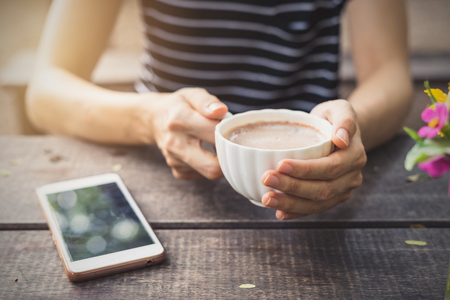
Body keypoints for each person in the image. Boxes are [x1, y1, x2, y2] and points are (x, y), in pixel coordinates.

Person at [26, 0, 413, 220]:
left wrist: (349, 128)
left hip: (322, 181)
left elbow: (389, 74)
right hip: (157, 176)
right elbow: (45, 91)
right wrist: (152, 118)